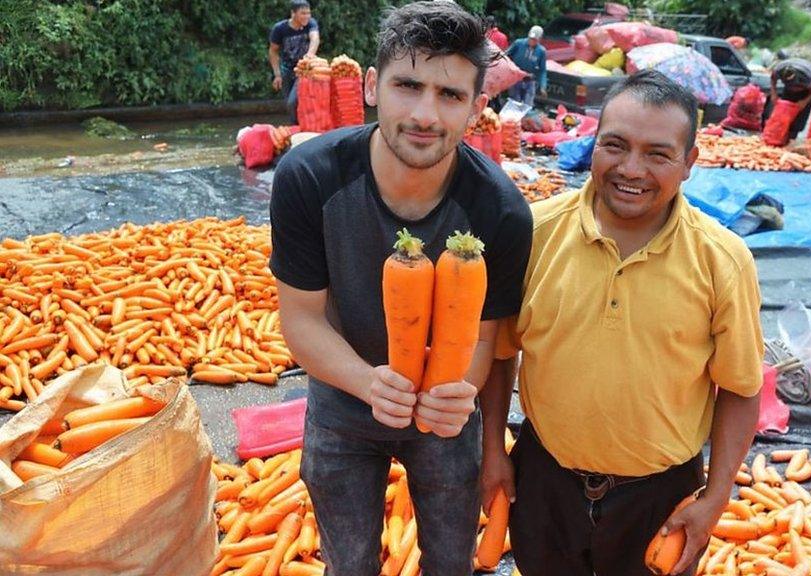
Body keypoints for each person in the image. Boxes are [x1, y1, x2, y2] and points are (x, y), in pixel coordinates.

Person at [269, 2, 533, 574]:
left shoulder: (501, 211)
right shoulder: (308, 178)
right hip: (343, 396)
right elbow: (302, 320)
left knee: (449, 561)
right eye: (407, 85)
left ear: (478, 109)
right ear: (371, 85)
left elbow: (484, 339)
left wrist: (454, 390)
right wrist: (368, 383)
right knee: (350, 562)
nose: (424, 114)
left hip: (445, 416)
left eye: (450, 95)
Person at [480, 69, 764, 576]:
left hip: (661, 496)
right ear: (593, 144)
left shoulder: (723, 259)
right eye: (615, 145)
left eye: (658, 154)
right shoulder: (535, 232)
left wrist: (717, 496)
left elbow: (741, 389)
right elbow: (500, 354)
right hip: (543, 480)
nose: (631, 169)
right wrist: (492, 452)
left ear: (690, 163)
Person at [269, 0, 320, 123]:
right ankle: (296, 128)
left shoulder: (310, 24)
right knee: (289, 104)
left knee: (293, 102)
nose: (306, 16)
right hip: (287, 69)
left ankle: (302, 128)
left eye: (308, 13)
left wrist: (310, 54)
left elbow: (315, 38)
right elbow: (273, 51)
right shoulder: (280, 29)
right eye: (303, 13)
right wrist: (277, 74)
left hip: (304, 70)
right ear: (293, 13)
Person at [765, 57, 811, 143]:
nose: (794, 89)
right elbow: (773, 79)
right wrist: (774, 94)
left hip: (806, 92)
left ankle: (791, 139)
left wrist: (805, 101)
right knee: (783, 115)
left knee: (799, 119)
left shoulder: (808, 77)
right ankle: (777, 138)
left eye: (795, 86)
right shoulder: (779, 70)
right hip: (788, 91)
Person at [506, 26, 548, 107]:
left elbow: (542, 70)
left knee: (527, 106)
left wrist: (543, 86)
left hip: (530, 80)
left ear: (539, 40)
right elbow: (506, 55)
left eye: (534, 40)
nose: (532, 41)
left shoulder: (541, 51)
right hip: (516, 78)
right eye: (530, 39)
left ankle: (525, 118)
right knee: (514, 104)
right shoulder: (518, 43)